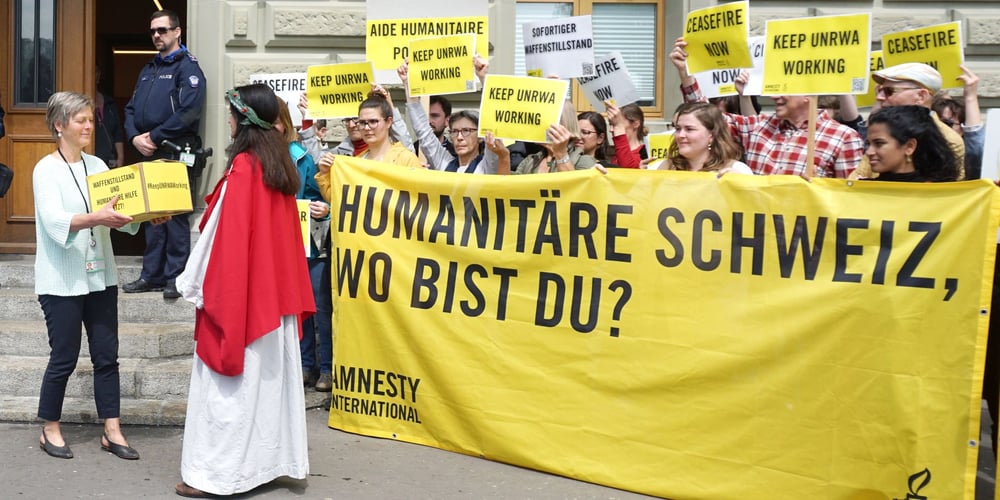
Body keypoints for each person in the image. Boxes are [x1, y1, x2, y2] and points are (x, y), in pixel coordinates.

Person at [174, 84, 314, 497]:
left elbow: (224, 237)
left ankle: (218, 476)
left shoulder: (245, 167)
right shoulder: (277, 165)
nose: (228, 120)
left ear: (245, 120)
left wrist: (198, 285)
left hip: (246, 298)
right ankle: (265, 465)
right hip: (274, 297)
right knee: (267, 386)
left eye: (232, 114)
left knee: (231, 391)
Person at [33, 91, 169, 461]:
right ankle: (50, 427)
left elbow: (120, 214)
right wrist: (97, 217)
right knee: (64, 356)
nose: (89, 126)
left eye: (91, 120)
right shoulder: (45, 169)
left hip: (100, 277)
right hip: (61, 281)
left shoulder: (97, 165)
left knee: (107, 356)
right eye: (81, 120)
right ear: (59, 125)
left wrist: (145, 217)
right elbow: (54, 221)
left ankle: (112, 429)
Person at [670, 37, 864, 178]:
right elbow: (704, 116)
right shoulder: (757, 127)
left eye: (782, 89)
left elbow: (848, 198)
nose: (773, 96)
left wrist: (819, 188)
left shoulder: (843, 138)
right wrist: (685, 73)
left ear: (808, 94)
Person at [122, 9, 207, 299]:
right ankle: (152, 275)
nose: (157, 35)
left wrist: (154, 136)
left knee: (174, 216)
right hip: (147, 150)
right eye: (153, 31)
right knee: (152, 214)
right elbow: (130, 109)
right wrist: (134, 137)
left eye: (162, 30)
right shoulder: (149, 69)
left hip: (174, 151)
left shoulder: (188, 68)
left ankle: (176, 277)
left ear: (177, 32)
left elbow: (189, 111)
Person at [274, 98, 333, 391]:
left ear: (285, 124)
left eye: (275, 122)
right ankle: (305, 365)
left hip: (309, 244)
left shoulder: (301, 157)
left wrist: (324, 210)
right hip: (277, 246)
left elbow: (321, 195)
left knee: (318, 309)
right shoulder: (254, 157)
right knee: (294, 308)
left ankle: (326, 368)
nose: (271, 129)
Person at [850, 62, 965, 181]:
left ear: (921, 96)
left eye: (889, 91)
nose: (879, 97)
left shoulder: (949, 139)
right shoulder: (883, 128)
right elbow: (855, 179)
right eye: (879, 90)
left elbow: (948, 186)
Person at [398, 56, 490, 173]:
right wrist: (408, 83)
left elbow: (493, 123)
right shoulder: (444, 163)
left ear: (480, 137)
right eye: (454, 131)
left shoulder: (488, 166)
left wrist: (484, 78)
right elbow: (423, 131)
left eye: (466, 130)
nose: (459, 137)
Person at [486, 100, 597, 175]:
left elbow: (573, 191)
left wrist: (560, 154)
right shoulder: (531, 160)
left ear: (563, 124)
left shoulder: (584, 162)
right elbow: (507, 190)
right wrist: (503, 156)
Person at [862, 105, 957, 182]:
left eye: (879, 143)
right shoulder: (861, 192)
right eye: (868, 144)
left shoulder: (941, 194)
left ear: (909, 147)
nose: (869, 152)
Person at [658, 102, 751, 175]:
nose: (680, 135)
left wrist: (739, 185)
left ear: (712, 135)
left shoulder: (736, 170)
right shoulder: (664, 167)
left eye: (689, 129)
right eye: (678, 129)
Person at [931, 65, 984, 179]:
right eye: (934, 123)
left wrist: (971, 97)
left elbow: (976, 149)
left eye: (947, 124)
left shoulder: (970, 163)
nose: (940, 128)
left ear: (963, 130)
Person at [94, 65, 124, 168]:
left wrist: (120, 158)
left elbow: (117, 132)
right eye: (92, 71)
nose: (94, 75)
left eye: (96, 71)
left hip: (109, 160)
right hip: (89, 158)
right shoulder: (80, 104)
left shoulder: (109, 103)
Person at [606, 102, 648, 168]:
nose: (611, 130)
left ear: (635, 124)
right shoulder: (615, 156)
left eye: (616, 124)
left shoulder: (644, 154)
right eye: (610, 124)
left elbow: (626, 168)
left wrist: (618, 127)